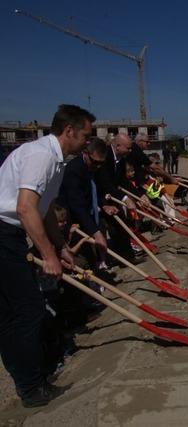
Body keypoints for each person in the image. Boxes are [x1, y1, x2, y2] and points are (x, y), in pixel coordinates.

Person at [0, 104, 95, 407]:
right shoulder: (41, 155)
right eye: (86, 136)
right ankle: (32, 388)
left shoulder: (58, 161)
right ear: (69, 131)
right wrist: (47, 255)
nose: (87, 142)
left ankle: (30, 379)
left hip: (11, 233)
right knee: (28, 310)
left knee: (16, 312)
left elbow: (46, 211)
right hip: (3, 233)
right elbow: (25, 208)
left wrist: (61, 248)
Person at [57, 138, 110, 271]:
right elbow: (76, 204)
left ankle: (95, 273)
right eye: (95, 162)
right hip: (72, 219)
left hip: (88, 216)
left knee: (92, 252)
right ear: (85, 153)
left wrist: (103, 204)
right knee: (81, 256)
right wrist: (96, 233)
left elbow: (96, 190)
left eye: (100, 163)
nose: (97, 166)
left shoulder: (93, 167)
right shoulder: (73, 170)